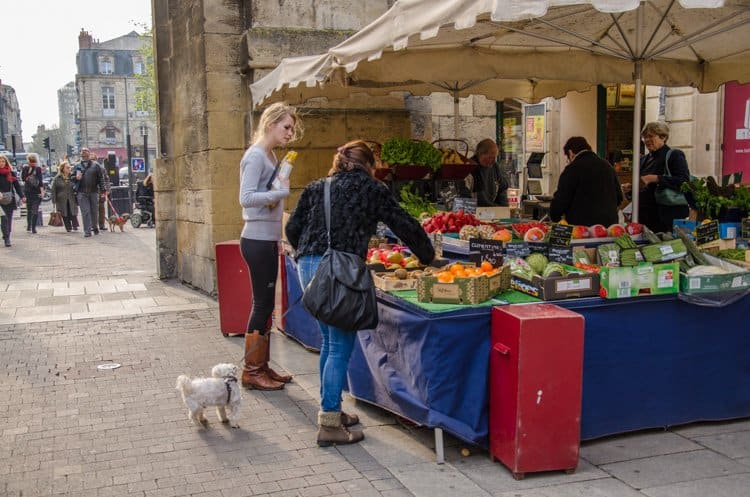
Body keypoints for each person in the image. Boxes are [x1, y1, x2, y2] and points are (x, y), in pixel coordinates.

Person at [285, 140, 435, 447]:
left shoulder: (317, 187)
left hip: (309, 268)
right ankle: (329, 424)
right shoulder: (372, 189)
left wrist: (312, 253)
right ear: (369, 165)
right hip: (339, 273)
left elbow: (292, 229)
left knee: (329, 341)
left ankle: (333, 410)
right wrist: (428, 256)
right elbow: (403, 223)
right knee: (340, 346)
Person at [238, 102, 303, 391]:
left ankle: (261, 366)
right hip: (256, 238)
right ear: (270, 124)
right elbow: (246, 198)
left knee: (265, 306)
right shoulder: (255, 157)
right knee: (261, 305)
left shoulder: (269, 155)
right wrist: (279, 191)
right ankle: (252, 370)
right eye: (286, 127)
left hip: (266, 238)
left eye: (292, 128)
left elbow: (268, 199)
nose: (291, 132)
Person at [622, 122, 690, 233]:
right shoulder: (643, 160)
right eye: (644, 137)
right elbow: (642, 187)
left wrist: (655, 178)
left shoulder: (674, 155)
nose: (646, 140)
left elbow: (684, 181)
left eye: (650, 136)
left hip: (667, 217)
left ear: (663, 137)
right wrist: (631, 189)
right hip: (645, 217)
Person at [550, 136, 623, 226]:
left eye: (568, 159)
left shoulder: (572, 169)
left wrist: (555, 217)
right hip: (609, 228)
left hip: (582, 229)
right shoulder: (607, 167)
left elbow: (560, 201)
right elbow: (619, 198)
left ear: (571, 153)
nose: (569, 161)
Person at [72, 148, 107, 237]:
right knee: (85, 212)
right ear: (81, 155)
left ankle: (94, 227)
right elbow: (71, 178)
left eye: (86, 151)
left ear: (89, 153)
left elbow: (101, 178)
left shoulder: (96, 165)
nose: (84, 152)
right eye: (82, 151)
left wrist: (103, 190)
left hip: (94, 192)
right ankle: (87, 231)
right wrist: (76, 178)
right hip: (82, 192)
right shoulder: (77, 166)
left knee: (94, 211)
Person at [466, 139, 509, 206]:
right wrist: (493, 208)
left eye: (494, 157)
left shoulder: (494, 166)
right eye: (490, 157)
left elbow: (502, 187)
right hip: (477, 209)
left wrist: (504, 207)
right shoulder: (470, 167)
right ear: (480, 154)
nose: (493, 161)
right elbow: (478, 197)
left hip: (493, 208)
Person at [0, 154, 25, 247]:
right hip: (0, 199)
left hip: (10, 199)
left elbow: (17, 186)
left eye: (3, 161)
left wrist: (22, 196)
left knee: (9, 219)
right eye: (0, 162)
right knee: (4, 218)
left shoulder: (10, 173)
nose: (1, 163)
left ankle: (7, 235)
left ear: (6, 162)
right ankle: (6, 238)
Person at [51, 161, 80, 232]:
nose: (69, 169)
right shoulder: (57, 178)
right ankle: (68, 227)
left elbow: (77, 185)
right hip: (61, 199)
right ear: (62, 169)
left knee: (73, 212)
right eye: (67, 168)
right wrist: (54, 201)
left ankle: (75, 225)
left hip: (71, 197)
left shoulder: (72, 176)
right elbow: (53, 189)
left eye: (69, 167)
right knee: (64, 213)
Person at [21, 153, 45, 234]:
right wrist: (29, 173)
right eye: (31, 161)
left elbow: (40, 181)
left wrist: (42, 192)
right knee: (29, 209)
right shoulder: (25, 168)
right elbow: (23, 178)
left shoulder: (38, 169)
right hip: (28, 192)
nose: (33, 163)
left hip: (36, 192)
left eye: (34, 161)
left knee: (35, 210)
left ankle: (33, 228)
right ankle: (29, 225)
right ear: (28, 161)